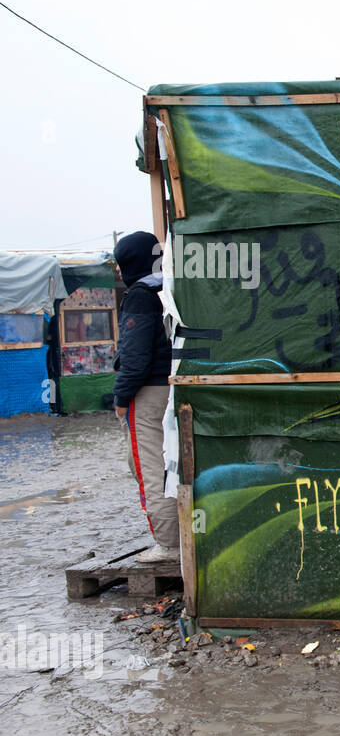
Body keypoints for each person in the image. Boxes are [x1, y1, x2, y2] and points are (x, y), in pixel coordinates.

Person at [112, 231, 179, 562]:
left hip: (148, 393)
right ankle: (185, 536)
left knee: (152, 467)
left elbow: (134, 356)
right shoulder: (171, 286)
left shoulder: (139, 295)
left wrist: (121, 397)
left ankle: (168, 544)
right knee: (177, 463)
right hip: (175, 385)